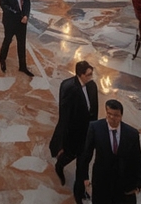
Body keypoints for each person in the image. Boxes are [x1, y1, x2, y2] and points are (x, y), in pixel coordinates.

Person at [76, 99, 141, 204]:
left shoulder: (132, 134)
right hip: (101, 181)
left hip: (123, 184)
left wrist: (138, 185)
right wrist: (85, 177)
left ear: (121, 116)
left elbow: (138, 160)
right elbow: (86, 154)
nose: (112, 118)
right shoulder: (95, 128)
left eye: (116, 115)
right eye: (109, 114)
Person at [50, 61, 99, 189]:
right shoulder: (68, 88)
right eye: (88, 75)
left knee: (83, 162)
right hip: (74, 131)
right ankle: (59, 165)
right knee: (70, 154)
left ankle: (79, 190)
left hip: (87, 130)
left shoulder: (92, 86)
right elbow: (65, 116)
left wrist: (94, 128)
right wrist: (63, 138)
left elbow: (95, 108)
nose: (90, 77)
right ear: (80, 75)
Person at [0, 0, 34, 76]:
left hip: (22, 22)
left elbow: (27, 4)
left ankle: (22, 66)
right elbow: (2, 4)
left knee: (21, 43)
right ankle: (2, 59)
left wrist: (26, 16)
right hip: (10, 21)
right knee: (7, 40)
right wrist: (12, 11)